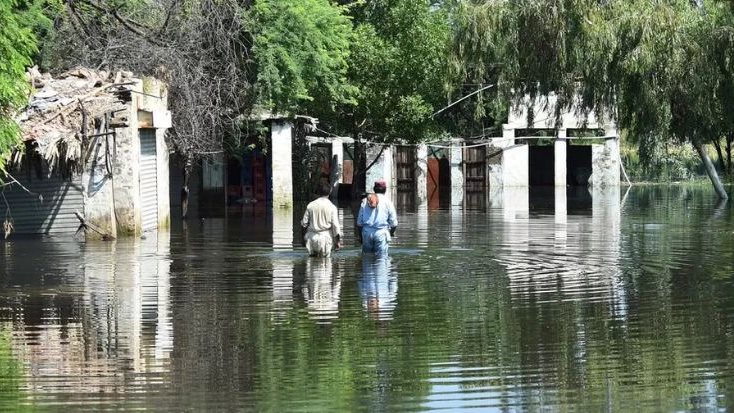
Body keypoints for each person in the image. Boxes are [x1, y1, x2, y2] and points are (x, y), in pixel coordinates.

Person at [356, 180, 398, 256]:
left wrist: (361, 237)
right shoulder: (388, 202)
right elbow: (394, 224)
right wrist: (390, 233)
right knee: (381, 260)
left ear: (374, 189)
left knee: (367, 258)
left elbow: (359, 223)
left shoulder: (365, 201)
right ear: (385, 189)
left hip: (366, 233)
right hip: (381, 234)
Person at [301, 183, 342, 257]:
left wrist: (303, 238)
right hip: (325, 238)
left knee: (311, 263)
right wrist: (337, 241)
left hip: (311, 237)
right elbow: (335, 226)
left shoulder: (310, 205)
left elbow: (304, 223)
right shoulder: (332, 207)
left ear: (319, 192)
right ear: (330, 192)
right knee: (325, 263)